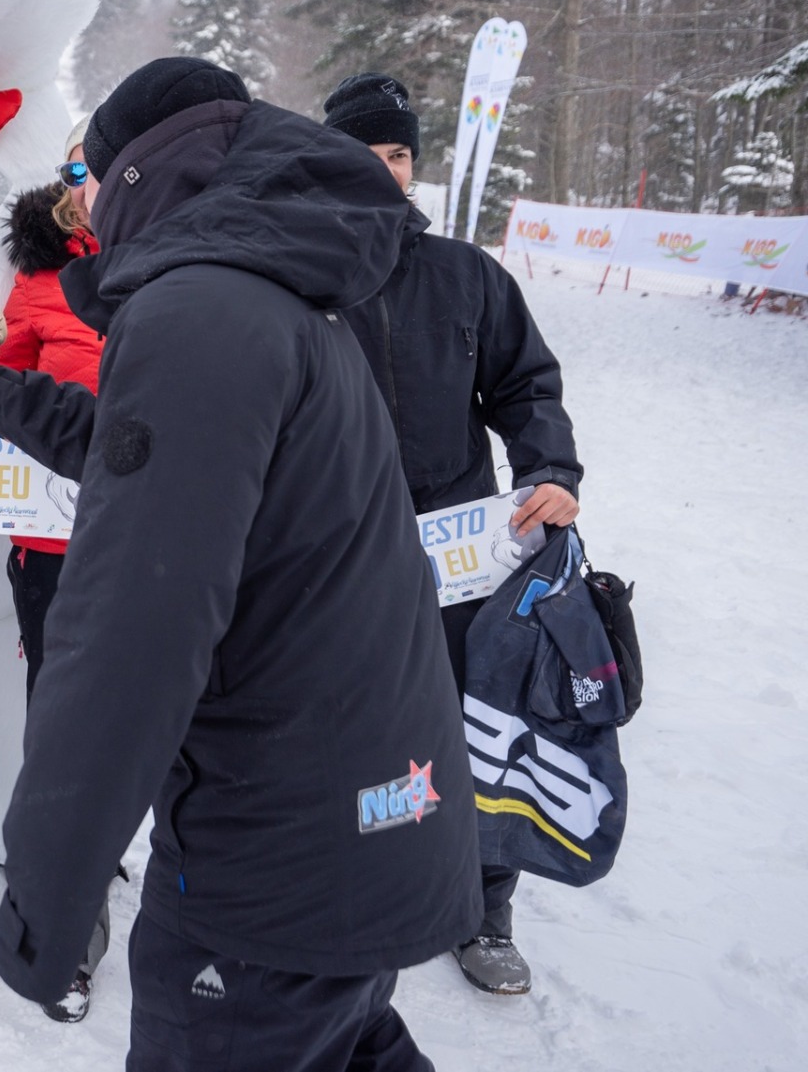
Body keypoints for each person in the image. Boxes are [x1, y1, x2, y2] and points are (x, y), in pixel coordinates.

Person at [0, 58, 484, 1070]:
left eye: (84, 166)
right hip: (355, 817)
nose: (74, 196)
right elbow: (157, 459)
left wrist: (48, 893)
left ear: (140, 168)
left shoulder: (200, 314)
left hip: (275, 866)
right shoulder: (268, 293)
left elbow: (131, 634)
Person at [325, 71, 583, 995]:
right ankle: (364, 884)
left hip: (461, 548)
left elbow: (526, 386)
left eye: (397, 155)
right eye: (364, 153)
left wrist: (549, 473)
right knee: (347, 728)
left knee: (473, 728)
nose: (383, 171)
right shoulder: (299, 278)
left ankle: (481, 908)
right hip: (339, 553)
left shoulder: (467, 275)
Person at [0, 116, 114, 1024]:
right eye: (79, 168)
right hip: (55, 548)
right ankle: (63, 918)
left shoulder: (185, 267)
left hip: (169, 539)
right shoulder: (36, 288)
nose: (92, 182)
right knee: (64, 721)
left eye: (104, 167)